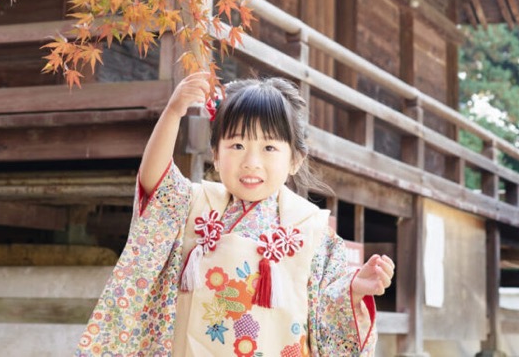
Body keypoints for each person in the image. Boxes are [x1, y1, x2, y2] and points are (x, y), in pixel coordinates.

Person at [77, 72, 395, 356]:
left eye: (269, 148)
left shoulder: (310, 227)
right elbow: (154, 181)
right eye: (237, 145)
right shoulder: (195, 204)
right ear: (215, 155)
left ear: (295, 160)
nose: (251, 162)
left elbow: (326, 310)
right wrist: (174, 113)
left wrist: (354, 289)